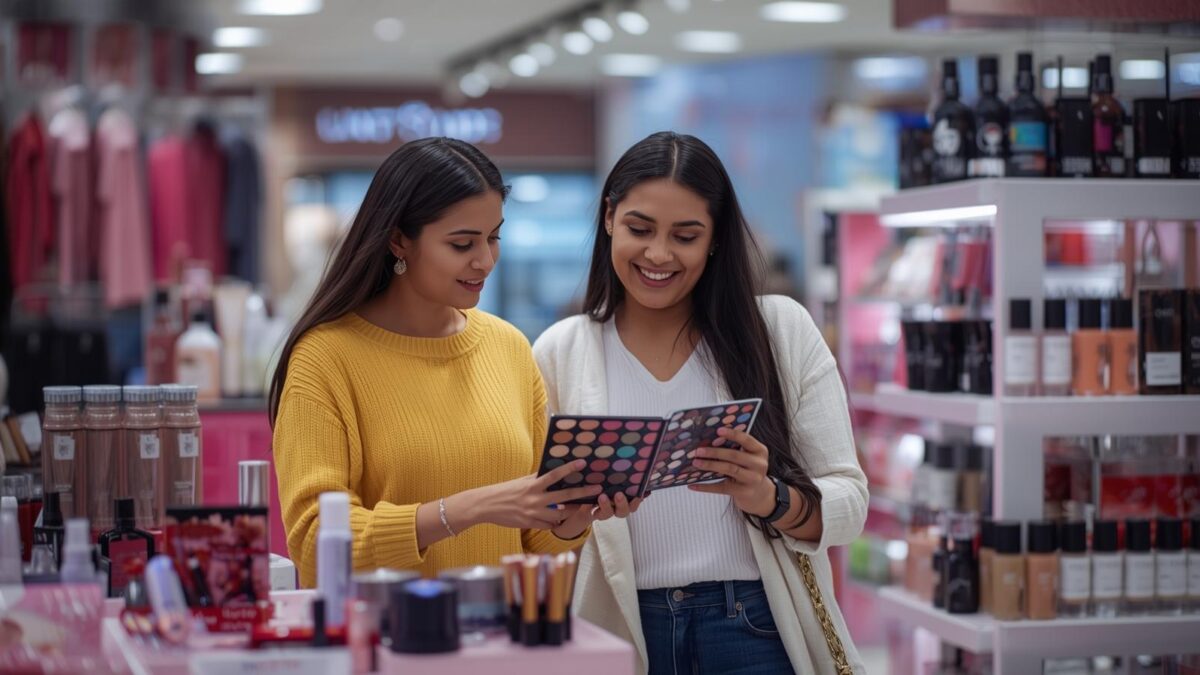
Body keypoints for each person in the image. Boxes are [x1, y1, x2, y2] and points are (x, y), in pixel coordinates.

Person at [533, 132, 868, 674]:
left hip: (755, 624)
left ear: (714, 239)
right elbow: (539, 532)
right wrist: (569, 522)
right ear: (609, 217)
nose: (658, 255)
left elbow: (850, 503)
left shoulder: (779, 330)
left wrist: (771, 498)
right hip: (619, 623)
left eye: (685, 236)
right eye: (640, 229)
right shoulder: (560, 351)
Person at [269, 137, 635, 588]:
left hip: (501, 627)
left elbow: (534, 544)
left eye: (494, 237)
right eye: (462, 244)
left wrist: (571, 519)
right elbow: (314, 545)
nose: (485, 260)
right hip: (385, 628)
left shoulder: (508, 347)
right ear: (399, 240)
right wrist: (466, 510)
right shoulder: (325, 358)